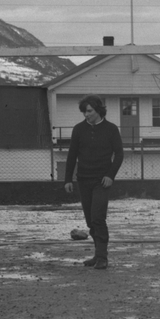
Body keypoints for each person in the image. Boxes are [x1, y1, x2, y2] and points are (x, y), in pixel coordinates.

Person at [64, 95, 123, 270]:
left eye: (89, 111)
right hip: (84, 180)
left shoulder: (111, 129)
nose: (86, 115)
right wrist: (68, 179)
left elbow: (119, 154)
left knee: (98, 218)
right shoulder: (78, 129)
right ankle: (97, 255)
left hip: (101, 181)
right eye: (84, 111)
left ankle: (103, 257)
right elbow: (72, 155)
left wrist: (110, 175)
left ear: (98, 110)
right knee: (90, 220)